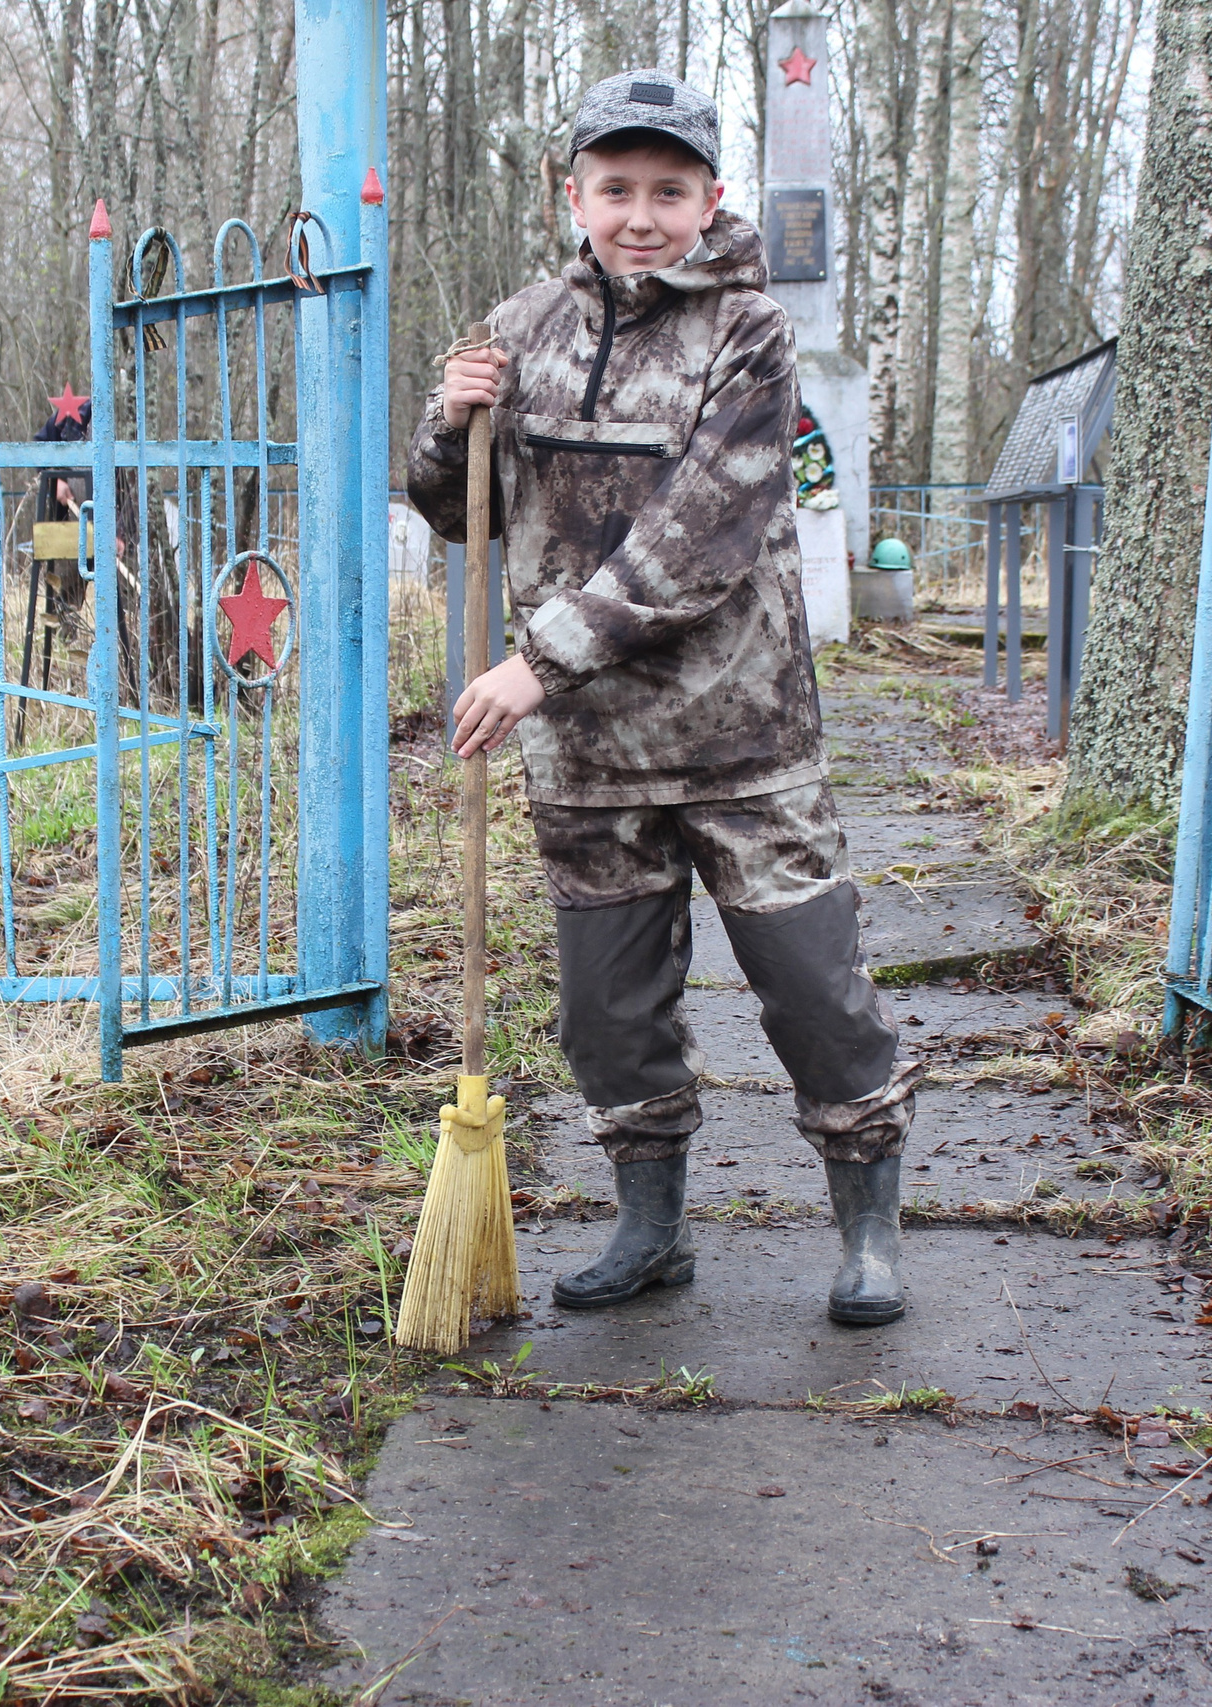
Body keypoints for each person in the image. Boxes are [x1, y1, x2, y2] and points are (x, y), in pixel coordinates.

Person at [406, 69, 922, 1327]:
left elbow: (703, 536)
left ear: (710, 198)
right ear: (572, 194)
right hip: (587, 753)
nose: (640, 215)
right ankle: (650, 1228)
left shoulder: (748, 332)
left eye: (668, 191)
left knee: (815, 991)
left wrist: (536, 663)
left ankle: (867, 1230)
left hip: (742, 736)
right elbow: (461, 512)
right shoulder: (520, 327)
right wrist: (447, 426)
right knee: (607, 1013)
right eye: (616, 188)